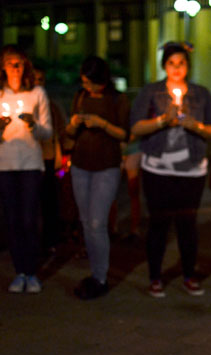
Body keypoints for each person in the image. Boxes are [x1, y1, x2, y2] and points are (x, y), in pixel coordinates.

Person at [130, 42, 211, 298]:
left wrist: (195, 126)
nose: (177, 68)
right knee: (158, 224)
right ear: (164, 66)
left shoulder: (201, 93)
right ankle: (155, 276)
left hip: (191, 170)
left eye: (181, 63)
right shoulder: (151, 92)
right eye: (171, 63)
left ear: (188, 66)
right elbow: (135, 128)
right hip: (157, 169)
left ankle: (189, 275)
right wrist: (161, 120)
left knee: (187, 225)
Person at [0, 45, 52, 293]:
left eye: (19, 62)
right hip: (3, 165)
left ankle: (32, 271)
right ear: (2, 67)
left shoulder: (37, 94)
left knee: (28, 218)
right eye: (10, 62)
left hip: (30, 164)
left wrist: (33, 125)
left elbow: (48, 132)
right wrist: (0, 126)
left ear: (25, 66)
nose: (15, 67)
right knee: (12, 219)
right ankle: (19, 271)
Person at [65, 56, 129, 300]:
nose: (88, 87)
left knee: (96, 223)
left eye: (92, 83)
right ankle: (94, 273)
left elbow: (125, 133)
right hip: (80, 164)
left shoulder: (117, 99)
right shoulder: (80, 96)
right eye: (84, 82)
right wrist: (73, 124)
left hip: (106, 166)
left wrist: (102, 124)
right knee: (85, 221)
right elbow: (70, 134)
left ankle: (100, 277)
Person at [33, 65, 67, 257]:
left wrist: (60, 159)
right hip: (29, 159)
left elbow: (59, 133)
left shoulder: (52, 105)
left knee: (49, 202)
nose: (38, 83)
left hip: (47, 157)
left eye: (41, 80)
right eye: (35, 79)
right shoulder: (25, 103)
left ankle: (50, 240)